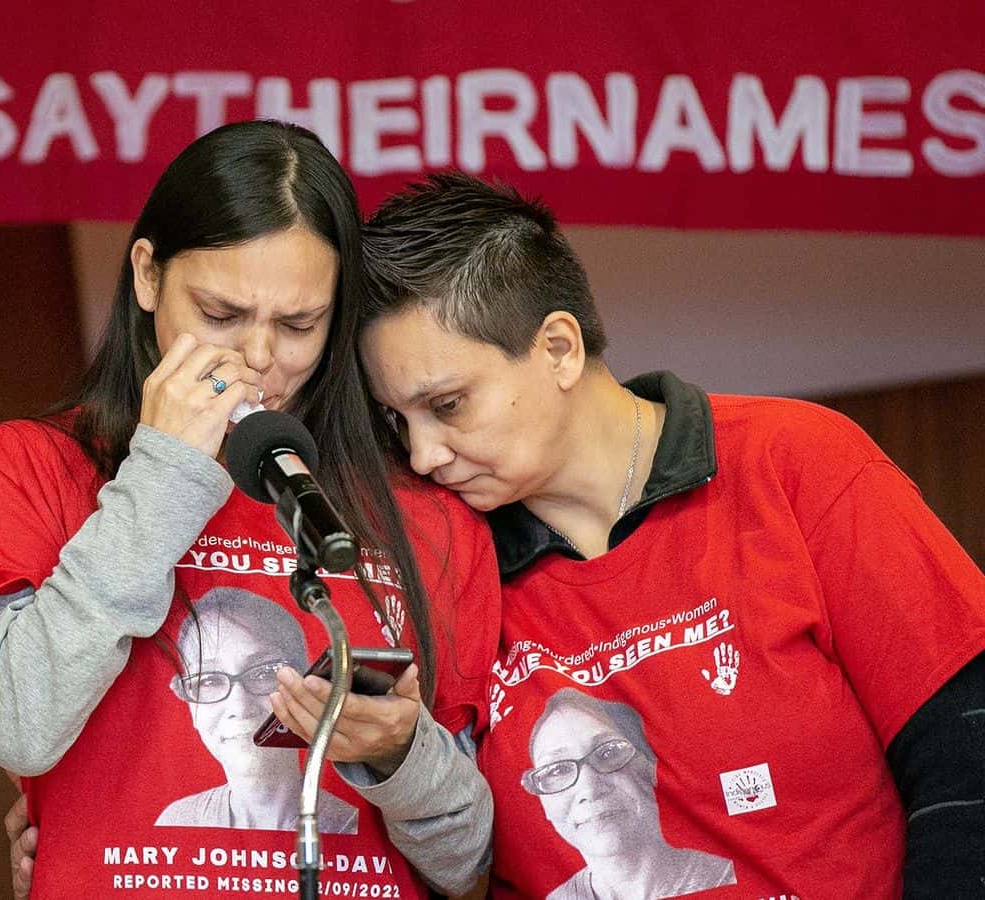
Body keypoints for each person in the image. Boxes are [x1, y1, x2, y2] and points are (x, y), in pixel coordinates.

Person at [358, 171, 985, 897]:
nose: (423, 455)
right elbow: (450, 858)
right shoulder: (445, 566)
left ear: (558, 349)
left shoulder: (796, 461)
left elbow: (965, 755)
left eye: (449, 405)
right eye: (399, 422)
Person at [0, 120, 499, 899]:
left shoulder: (425, 513)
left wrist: (406, 760)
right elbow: (21, 727)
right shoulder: (28, 468)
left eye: (299, 325)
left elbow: (474, 866)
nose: (259, 358)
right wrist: (162, 478)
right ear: (147, 276)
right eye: (221, 315)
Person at [155, 586, 358, 833]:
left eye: (264, 673)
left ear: (304, 683)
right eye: (208, 681)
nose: (240, 707)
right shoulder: (178, 822)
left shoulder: (350, 827)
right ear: (190, 705)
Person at [523, 690, 734, 899]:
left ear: (651, 766)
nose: (589, 788)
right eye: (557, 770)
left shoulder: (726, 878)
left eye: (608, 752)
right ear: (543, 803)